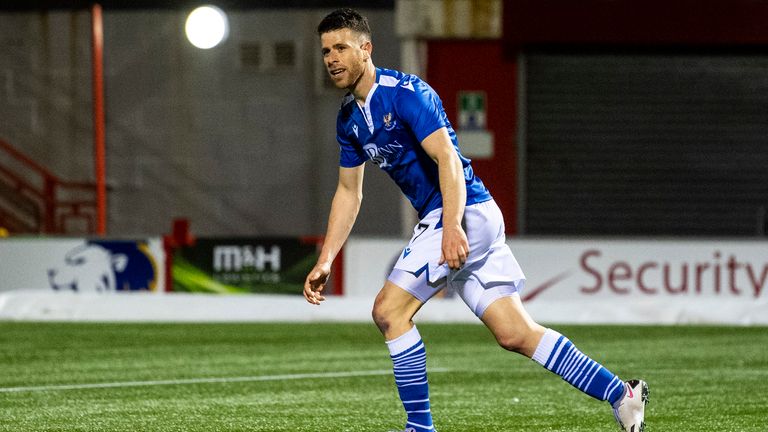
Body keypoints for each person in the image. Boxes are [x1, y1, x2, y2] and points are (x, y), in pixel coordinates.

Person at [304, 8, 648, 432]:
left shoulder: (408, 93)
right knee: (515, 334)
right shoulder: (348, 119)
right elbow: (348, 192)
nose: (332, 58)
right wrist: (326, 259)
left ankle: (420, 427)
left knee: (389, 311)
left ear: (366, 48)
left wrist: (451, 227)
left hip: (462, 213)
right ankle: (621, 395)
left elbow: (448, 158)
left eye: (341, 47)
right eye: (325, 52)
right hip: (466, 217)